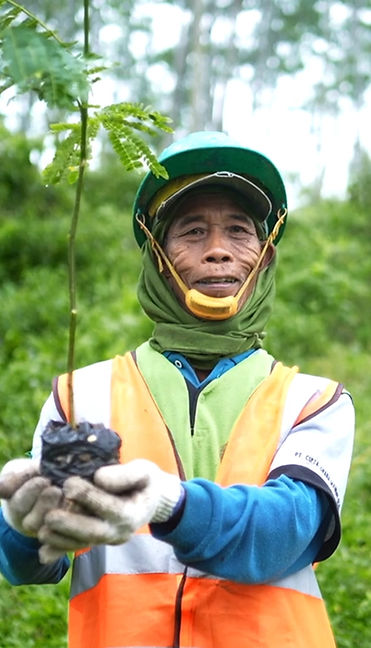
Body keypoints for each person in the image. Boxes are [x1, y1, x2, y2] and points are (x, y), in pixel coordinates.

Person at [0, 131, 354, 648]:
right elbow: (28, 566)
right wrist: (20, 526)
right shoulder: (81, 393)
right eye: (191, 232)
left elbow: (286, 533)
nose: (217, 252)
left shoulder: (314, 401)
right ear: (157, 256)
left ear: (265, 256)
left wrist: (172, 504)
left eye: (238, 231)